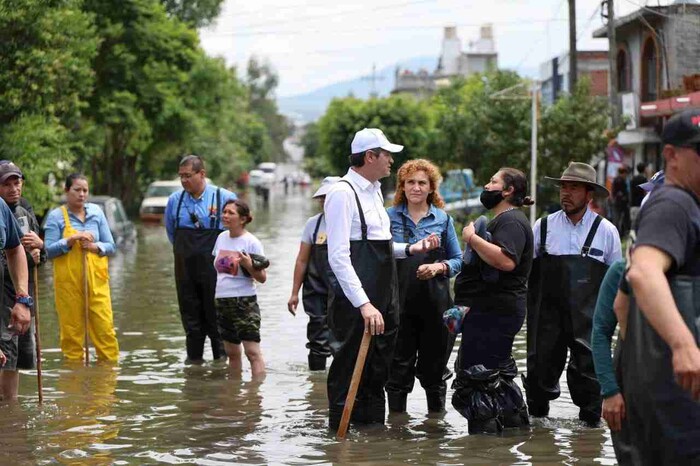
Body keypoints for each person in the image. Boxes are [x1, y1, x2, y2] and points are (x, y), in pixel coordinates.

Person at [324, 128, 439, 430]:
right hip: (356, 302)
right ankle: (340, 442)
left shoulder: (375, 191)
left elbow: (381, 245)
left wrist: (411, 249)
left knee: (378, 373)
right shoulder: (341, 193)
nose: (391, 161)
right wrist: (364, 304)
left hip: (385, 299)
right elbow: (338, 256)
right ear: (370, 156)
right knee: (349, 370)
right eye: (386, 154)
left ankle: (374, 442)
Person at [623, 108, 700, 464]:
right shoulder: (674, 204)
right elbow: (643, 273)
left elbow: (621, 308)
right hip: (681, 397)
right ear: (671, 155)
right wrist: (682, 346)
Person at [525, 162, 622, 426]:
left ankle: (588, 444)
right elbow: (524, 274)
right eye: (563, 187)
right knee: (537, 378)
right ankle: (538, 443)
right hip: (545, 319)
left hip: (590, 321)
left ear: (589, 194)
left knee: (590, 385)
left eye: (574, 188)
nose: (566, 193)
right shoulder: (542, 227)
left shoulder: (607, 232)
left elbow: (618, 283)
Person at [450, 168, 534, 433]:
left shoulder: (511, 222)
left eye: (493, 182)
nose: (486, 185)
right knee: (495, 376)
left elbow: (506, 261)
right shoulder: (506, 220)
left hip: (495, 313)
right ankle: (512, 435)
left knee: (477, 378)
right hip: (491, 312)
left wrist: (472, 239)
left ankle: (483, 451)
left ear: (508, 191)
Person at [385, 159, 461, 414]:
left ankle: (435, 433)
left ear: (431, 188)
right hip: (398, 306)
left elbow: (459, 260)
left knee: (435, 373)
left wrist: (439, 268)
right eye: (410, 183)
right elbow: (379, 257)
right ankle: (396, 431)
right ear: (402, 187)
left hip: (436, 307)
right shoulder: (387, 217)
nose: (416, 188)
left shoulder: (443, 219)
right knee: (396, 372)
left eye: (422, 183)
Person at [165, 155, 237, 364]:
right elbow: (171, 233)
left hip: (218, 269)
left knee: (218, 320)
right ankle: (194, 368)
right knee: (191, 320)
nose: (184, 181)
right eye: (181, 177)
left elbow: (235, 233)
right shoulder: (174, 201)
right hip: (185, 269)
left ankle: (222, 369)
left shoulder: (223, 197)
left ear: (202, 174)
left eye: (188, 176)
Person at [44, 174, 119, 362]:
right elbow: (48, 251)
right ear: (66, 190)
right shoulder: (55, 216)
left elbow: (111, 245)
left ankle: (107, 383)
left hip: (98, 284)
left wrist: (95, 247)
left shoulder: (96, 212)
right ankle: (74, 384)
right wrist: (70, 240)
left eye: (85, 190)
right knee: (72, 336)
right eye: (77, 190)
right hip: (68, 286)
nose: (82, 194)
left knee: (105, 332)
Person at [0, 162, 45, 400]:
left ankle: (10, 413)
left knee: (17, 356)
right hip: (3, 293)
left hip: (22, 292)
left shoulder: (26, 211)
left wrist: (39, 250)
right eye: (6, 184)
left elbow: (31, 253)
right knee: (5, 354)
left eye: (16, 183)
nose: (13, 189)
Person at [287, 176, 340, 371]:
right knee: (318, 339)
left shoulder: (353, 223)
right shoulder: (314, 224)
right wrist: (294, 292)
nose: (325, 202)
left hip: (344, 291)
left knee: (342, 339)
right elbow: (302, 260)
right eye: (323, 198)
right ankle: (316, 386)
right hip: (316, 290)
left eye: (330, 197)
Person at [212, 199, 267, 377]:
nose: (225, 216)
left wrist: (249, 264)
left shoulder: (251, 242)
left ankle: (255, 395)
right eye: (224, 212)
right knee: (232, 354)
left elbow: (262, 277)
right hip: (222, 300)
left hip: (244, 301)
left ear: (242, 219)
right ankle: (234, 394)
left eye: (231, 213)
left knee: (252, 352)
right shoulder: (221, 238)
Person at [611, 165, 631, 237]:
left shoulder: (617, 180)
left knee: (618, 219)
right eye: (626, 173)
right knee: (618, 219)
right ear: (623, 173)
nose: (626, 175)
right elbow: (620, 193)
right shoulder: (620, 180)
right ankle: (618, 235)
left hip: (618, 203)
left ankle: (619, 234)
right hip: (620, 203)